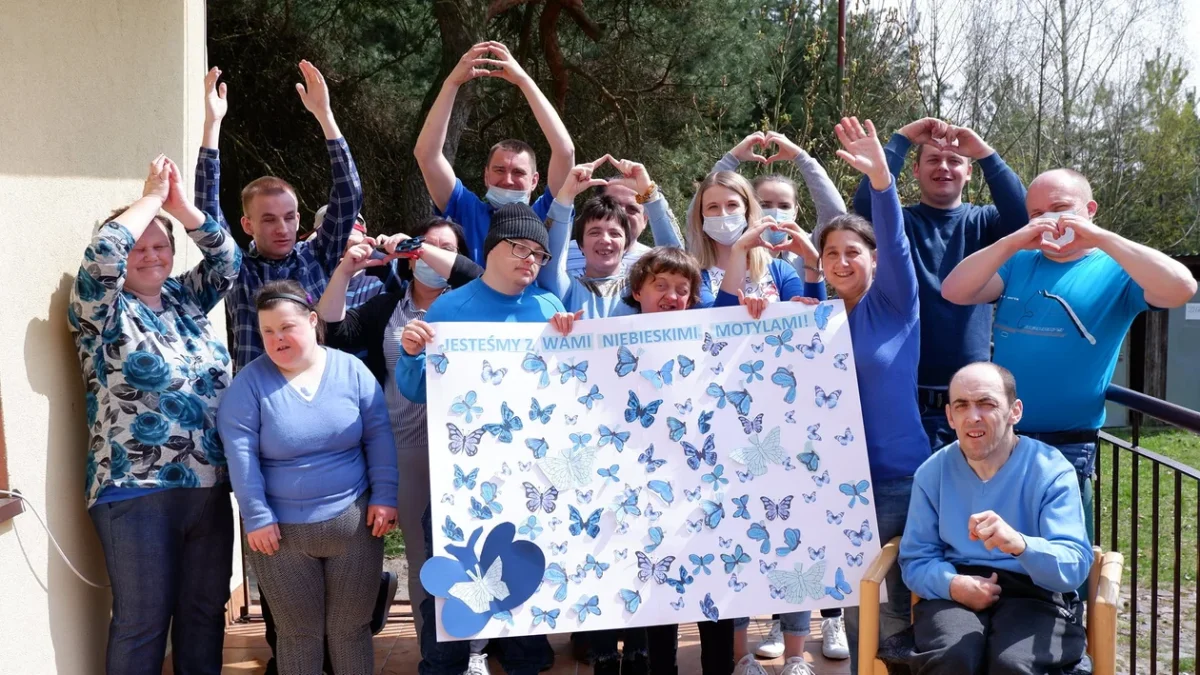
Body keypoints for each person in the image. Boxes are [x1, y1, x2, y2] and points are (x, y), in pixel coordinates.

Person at [194, 64, 394, 672]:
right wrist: (211, 129)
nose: (281, 227)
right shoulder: (236, 270)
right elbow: (204, 214)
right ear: (248, 224)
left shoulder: (316, 257)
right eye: (268, 218)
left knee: (345, 621)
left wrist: (326, 119)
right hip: (264, 443)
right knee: (290, 620)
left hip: (331, 447)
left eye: (289, 216)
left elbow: (349, 198)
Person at [726, 118, 927, 675]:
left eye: (853, 252)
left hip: (897, 480)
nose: (841, 261)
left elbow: (896, 238)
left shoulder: (896, 303)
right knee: (859, 608)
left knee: (904, 607)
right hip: (832, 480)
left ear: (874, 259)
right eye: (830, 252)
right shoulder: (814, 312)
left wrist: (882, 179)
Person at [940, 168, 1198, 543]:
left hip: (1067, 443)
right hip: (1000, 437)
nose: (1049, 220)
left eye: (1060, 208)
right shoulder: (1020, 261)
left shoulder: (1117, 270)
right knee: (991, 546)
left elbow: (1182, 287)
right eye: (1036, 213)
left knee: (1060, 550)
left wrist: (1099, 236)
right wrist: (1014, 240)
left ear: (1089, 210)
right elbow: (954, 290)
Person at [69, 154, 241, 675]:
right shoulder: (101, 308)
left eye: (160, 246)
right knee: (142, 623)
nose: (150, 256)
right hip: (134, 489)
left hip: (208, 487)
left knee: (203, 615)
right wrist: (150, 198)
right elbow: (104, 252)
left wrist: (182, 208)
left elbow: (228, 262)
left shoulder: (184, 299)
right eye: (138, 247)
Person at [397, 204, 562, 675]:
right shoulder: (450, 308)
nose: (531, 260)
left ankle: (523, 655)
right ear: (491, 249)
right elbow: (416, 389)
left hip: (530, 475)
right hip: (461, 475)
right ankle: (446, 662)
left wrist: (574, 342)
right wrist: (411, 353)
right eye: (520, 248)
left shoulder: (549, 308)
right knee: (451, 572)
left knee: (525, 564)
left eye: (539, 254)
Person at [711, 131, 851, 664]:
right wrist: (732, 159)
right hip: (727, 426)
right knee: (736, 541)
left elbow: (813, 316)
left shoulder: (786, 269)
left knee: (795, 533)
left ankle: (798, 651)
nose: (771, 214)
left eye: (781, 206)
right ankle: (741, 655)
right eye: (760, 204)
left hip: (788, 422)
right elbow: (713, 322)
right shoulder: (703, 266)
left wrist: (807, 273)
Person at [217, 281, 400, 675]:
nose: (277, 339)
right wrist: (257, 516)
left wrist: (385, 495)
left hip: (354, 525)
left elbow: (378, 434)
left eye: (287, 327)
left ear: (313, 321)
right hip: (280, 537)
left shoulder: (351, 370)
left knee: (351, 631)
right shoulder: (248, 384)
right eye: (267, 331)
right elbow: (241, 457)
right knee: (297, 635)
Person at [317, 217, 482, 638]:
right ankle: (433, 646)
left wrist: (422, 246)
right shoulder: (386, 307)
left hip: (469, 448)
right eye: (423, 247)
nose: (430, 256)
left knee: (472, 550)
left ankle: (475, 648)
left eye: (445, 248)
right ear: (407, 260)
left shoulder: (473, 301)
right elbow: (332, 330)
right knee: (421, 553)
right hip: (405, 448)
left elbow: (473, 274)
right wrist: (346, 270)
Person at [897, 362, 1093, 674]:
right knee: (954, 657)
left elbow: (1074, 565)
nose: (973, 416)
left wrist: (1021, 544)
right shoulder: (932, 473)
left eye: (986, 403)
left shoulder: (1051, 470)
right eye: (961, 405)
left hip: (1035, 592)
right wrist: (953, 585)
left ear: (1015, 411)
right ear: (950, 416)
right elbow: (916, 558)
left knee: (1012, 664)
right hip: (956, 588)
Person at [851, 118, 1029, 451]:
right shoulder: (900, 223)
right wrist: (902, 139)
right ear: (916, 170)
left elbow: (1025, 217)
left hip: (973, 404)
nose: (944, 167)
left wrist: (985, 153)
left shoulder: (985, 222)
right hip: (909, 402)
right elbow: (864, 210)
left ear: (969, 172)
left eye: (954, 161)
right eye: (933, 159)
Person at [413, 41, 575, 264]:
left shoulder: (546, 213)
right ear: (486, 176)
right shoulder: (466, 210)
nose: (508, 180)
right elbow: (426, 155)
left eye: (518, 172)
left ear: (534, 180)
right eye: (499, 170)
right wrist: (451, 83)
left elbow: (565, 152)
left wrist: (524, 81)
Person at [538, 158, 684, 317]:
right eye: (594, 232)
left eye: (615, 234)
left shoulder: (641, 292)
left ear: (625, 244)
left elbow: (677, 265)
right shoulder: (566, 290)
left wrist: (650, 195)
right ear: (580, 244)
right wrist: (565, 196)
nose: (605, 240)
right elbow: (550, 262)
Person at [688, 171, 826, 309]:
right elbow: (720, 318)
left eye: (732, 205)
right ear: (701, 215)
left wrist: (812, 262)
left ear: (747, 210)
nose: (723, 214)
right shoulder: (693, 278)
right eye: (713, 207)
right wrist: (739, 250)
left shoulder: (780, 270)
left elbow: (816, 315)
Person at [562, 162, 685, 277]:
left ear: (644, 221)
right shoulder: (564, 253)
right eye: (612, 205)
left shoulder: (654, 263)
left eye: (632, 209)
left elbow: (680, 269)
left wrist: (651, 196)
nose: (621, 214)